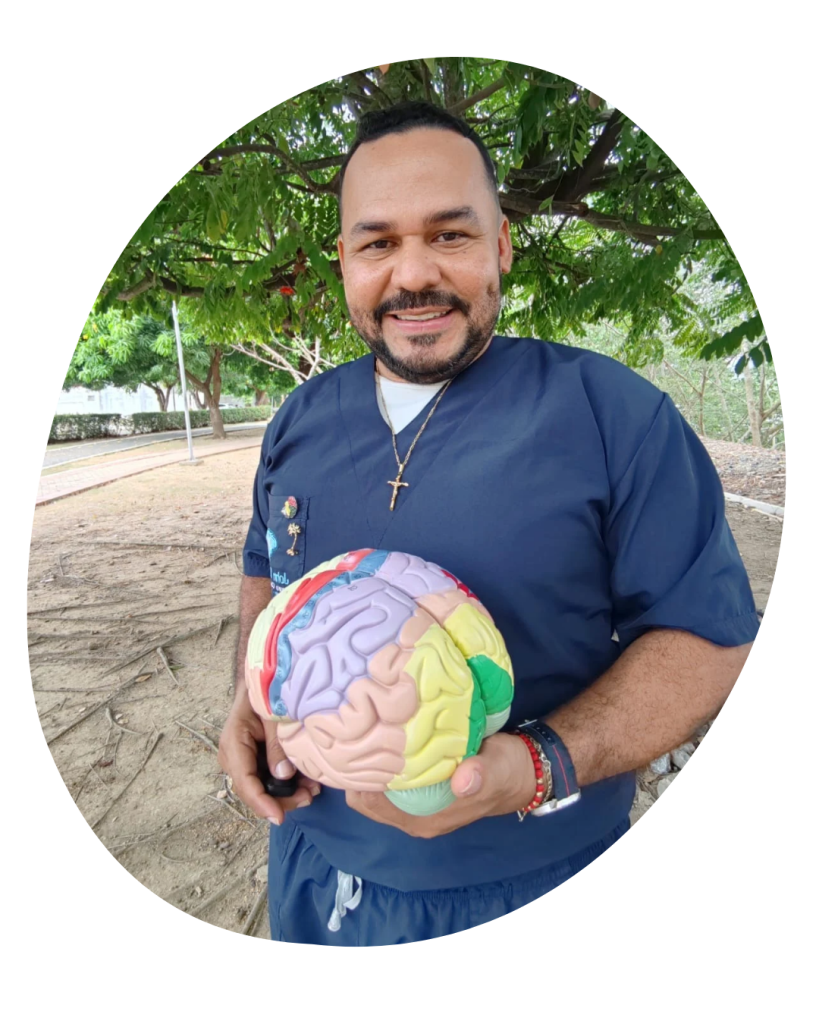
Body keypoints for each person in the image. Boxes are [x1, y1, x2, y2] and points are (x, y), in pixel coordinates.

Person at [218, 100, 758, 946]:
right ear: (344, 261)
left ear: (501, 243)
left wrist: (538, 763)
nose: (413, 275)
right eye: (377, 243)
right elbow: (266, 565)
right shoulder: (300, 419)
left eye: (450, 234)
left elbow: (709, 638)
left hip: (534, 877)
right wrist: (250, 700)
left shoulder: (614, 416)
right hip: (313, 874)